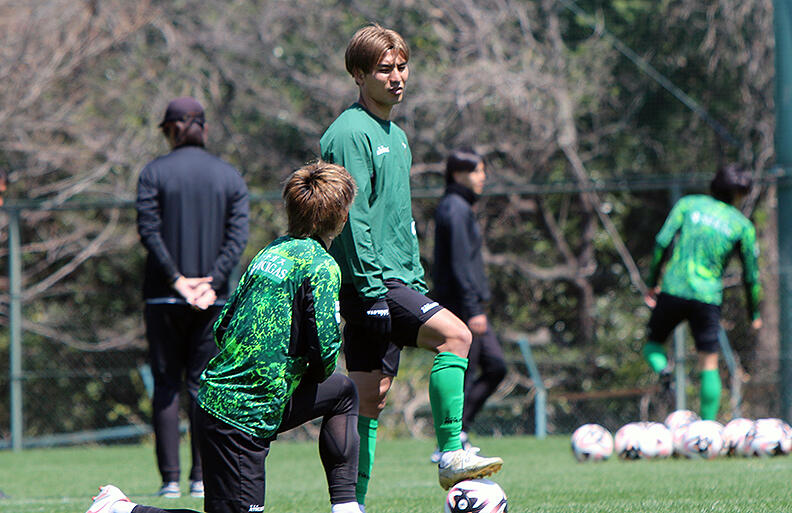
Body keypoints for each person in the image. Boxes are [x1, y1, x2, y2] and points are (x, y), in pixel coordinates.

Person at [86, 161, 362, 513]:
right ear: (341, 218)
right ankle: (121, 509)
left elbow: (222, 326)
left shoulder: (270, 253)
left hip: (216, 400)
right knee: (341, 388)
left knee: (342, 392)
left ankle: (346, 508)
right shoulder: (321, 266)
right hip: (242, 418)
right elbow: (325, 356)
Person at [319, 23, 502, 508]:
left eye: (401, 67)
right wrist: (371, 291)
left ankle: (348, 503)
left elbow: (396, 218)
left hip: (396, 278)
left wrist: (413, 277)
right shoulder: (349, 133)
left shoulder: (396, 136)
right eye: (384, 69)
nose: (397, 77)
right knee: (457, 336)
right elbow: (352, 217)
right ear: (358, 74)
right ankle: (450, 451)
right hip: (372, 282)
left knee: (366, 400)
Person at [136, 97, 250, 498]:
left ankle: (169, 481)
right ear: (203, 127)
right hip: (214, 301)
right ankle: (202, 478)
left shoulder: (153, 173)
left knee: (167, 386)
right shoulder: (230, 176)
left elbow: (148, 230)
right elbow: (238, 237)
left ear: (171, 129)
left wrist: (176, 280)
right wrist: (211, 281)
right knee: (205, 386)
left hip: (164, 299)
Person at [642, 163, 762, 421]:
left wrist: (652, 282)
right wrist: (754, 312)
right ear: (740, 194)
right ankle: (707, 429)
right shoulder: (741, 226)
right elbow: (751, 275)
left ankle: (663, 369)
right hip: (707, 298)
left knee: (652, 346)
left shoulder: (688, 205)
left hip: (674, 288)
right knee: (708, 362)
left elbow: (662, 241)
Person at [430, 148, 507, 462]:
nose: (483, 177)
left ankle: (459, 432)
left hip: (469, 303)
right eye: (477, 171)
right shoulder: (455, 208)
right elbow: (460, 265)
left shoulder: (460, 206)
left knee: (496, 367)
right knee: (466, 371)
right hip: (461, 306)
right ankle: (448, 444)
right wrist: (472, 308)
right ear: (458, 174)